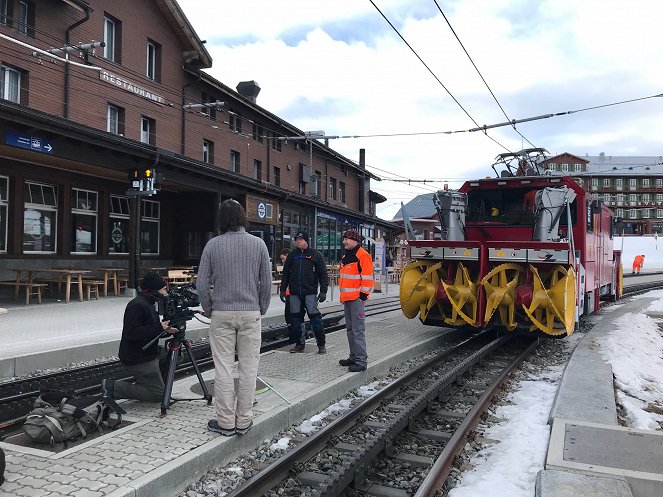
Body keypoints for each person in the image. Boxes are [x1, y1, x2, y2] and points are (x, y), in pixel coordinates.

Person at [197, 199, 271, 437]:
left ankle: (226, 422)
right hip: (251, 313)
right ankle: (244, 420)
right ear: (242, 217)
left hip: (221, 314)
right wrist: (262, 307)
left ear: (221, 219)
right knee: (249, 368)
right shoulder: (258, 244)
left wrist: (209, 309)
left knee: (224, 369)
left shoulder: (212, 245)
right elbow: (267, 283)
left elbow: (201, 283)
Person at [101, 272, 178, 405]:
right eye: (163, 289)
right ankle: (111, 387)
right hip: (137, 357)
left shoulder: (150, 302)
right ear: (155, 290)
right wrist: (159, 327)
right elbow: (132, 333)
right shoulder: (137, 305)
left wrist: (166, 330)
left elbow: (152, 330)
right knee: (158, 395)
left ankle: (154, 383)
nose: (166, 292)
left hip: (148, 351)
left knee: (176, 355)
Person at [279, 231, 329, 354]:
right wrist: (282, 290)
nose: (298, 241)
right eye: (296, 239)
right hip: (295, 294)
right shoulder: (292, 255)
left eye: (300, 239)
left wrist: (323, 291)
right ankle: (299, 344)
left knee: (315, 319)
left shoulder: (315, 255)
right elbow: (285, 274)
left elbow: (323, 274)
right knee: (295, 319)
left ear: (306, 240)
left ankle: (321, 344)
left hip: (310, 293)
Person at [338, 229, 374, 372]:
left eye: (347, 239)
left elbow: (367, 279)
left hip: (356, 300)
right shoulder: (347, 255)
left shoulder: (363, 255)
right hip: (348, 299)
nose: (344, 241)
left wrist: (362, 298)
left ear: (355, 240)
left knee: (357, 331)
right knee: (350, 330)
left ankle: (361, 361)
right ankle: (353, 357)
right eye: (344, 238)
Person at [279, 248, 303, 345]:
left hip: (294, 295)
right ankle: (294, 337)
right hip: (289, 295)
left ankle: (296, 339)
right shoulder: (288, 267)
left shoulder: (294, 266)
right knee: (289, 317)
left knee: (293, 317)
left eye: (283, 258)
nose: (282, 261)